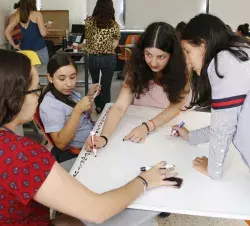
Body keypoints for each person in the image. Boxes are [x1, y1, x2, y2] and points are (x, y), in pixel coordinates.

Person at [0, 49, 178, 225]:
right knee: (138, 213)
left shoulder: (13, 148)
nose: (38, 96)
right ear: (14, 96)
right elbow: (97, 211)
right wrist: (144, 181)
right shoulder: (21, 154)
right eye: (35, 90)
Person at [85, 22, 190, 151]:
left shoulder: (183, 70)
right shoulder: (137, 68)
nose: (153, 62)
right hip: (139, 120)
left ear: (172, 55)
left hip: (170, 125)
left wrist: (147, 127)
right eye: (148, 54)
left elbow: (175, 107)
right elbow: (119, 106)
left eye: (161, 57)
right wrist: (104, 137)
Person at [174, 13, 250, 179]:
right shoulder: (239, 53)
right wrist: (191, 136)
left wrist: (212, 169)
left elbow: (222, 129)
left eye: (188, 51)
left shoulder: (223, 63)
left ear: (203, 45)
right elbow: (227, 121)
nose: (187, 60)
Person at [38, 54, 99, 162]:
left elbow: (86, 117)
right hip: (77, 154)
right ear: (50, 78)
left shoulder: (72, 94)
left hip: (92, 141)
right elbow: (61, 144)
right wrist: (77, 110)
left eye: (72, 77)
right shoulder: (50, 105)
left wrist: (90, 97)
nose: (69, 84)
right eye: (62, 79)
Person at [85, 0, 121, 114]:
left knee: (96, 84)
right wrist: (108, 47)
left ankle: (99, 106)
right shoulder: (113, 25)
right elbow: (116, 42)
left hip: (93, 57)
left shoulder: (89, 21)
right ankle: (105, 109)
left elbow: (88, 38)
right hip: (108, 57)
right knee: (106, 86)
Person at [5, 0, 49, 64]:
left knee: (27, 73)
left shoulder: (18, 16)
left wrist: (14, 46)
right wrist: (46, 29)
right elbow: (43, 33)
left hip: (25, 51)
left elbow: (7, 32)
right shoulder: (37, 14)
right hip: (39, 49)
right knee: (43, 72)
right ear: (32, 2)